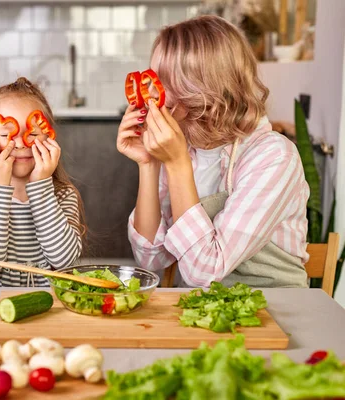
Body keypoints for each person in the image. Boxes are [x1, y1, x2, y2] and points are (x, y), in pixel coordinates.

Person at [117, 15, 310, 288]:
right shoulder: (183, 146)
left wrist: (177, 165)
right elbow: (151, 258)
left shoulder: (273, 157)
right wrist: (149, 164)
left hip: (274, 309)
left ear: (200, 89)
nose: (148, 94)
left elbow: (204, 273)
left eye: (160, 82)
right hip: (201, 311)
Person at [0, 77, 86, 287]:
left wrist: (41, 186)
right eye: (6, 134)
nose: (21, 143)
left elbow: (64, 260)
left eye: (33, 133)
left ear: (49, 137)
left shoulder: (63, 196)